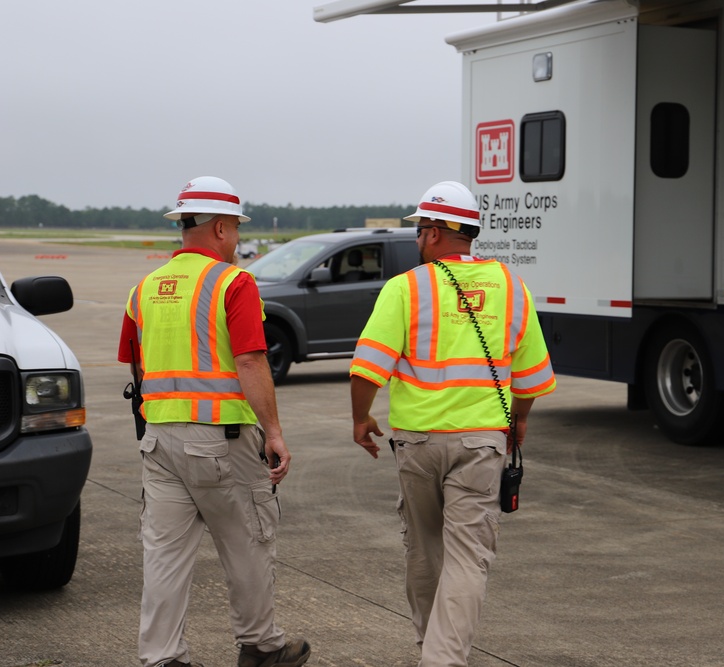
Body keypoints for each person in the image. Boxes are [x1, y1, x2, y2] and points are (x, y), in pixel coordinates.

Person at [350, 180, 556, 666]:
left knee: (424, 553)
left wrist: (361, 418)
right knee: (469, 558)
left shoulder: (406, 288)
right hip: (482, 444)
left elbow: (367, 368)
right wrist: (518, 423)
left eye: (421, 229)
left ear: (438, 232)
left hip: (418, 443)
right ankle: (442, 658)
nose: (418, 239)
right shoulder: (510, 285)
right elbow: (530, 377)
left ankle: (431, 649)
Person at [118, 176, 311, 667]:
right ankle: (262, 646)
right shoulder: (233, 282)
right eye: (237, 230)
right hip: (222, 442)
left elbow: (136, 368)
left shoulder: (144, 289)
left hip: (159, 442)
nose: (238, 240)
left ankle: (161, 657)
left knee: (164, 556)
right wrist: (273, 433)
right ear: (221, 227)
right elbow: (251, 361)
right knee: (249, 540)